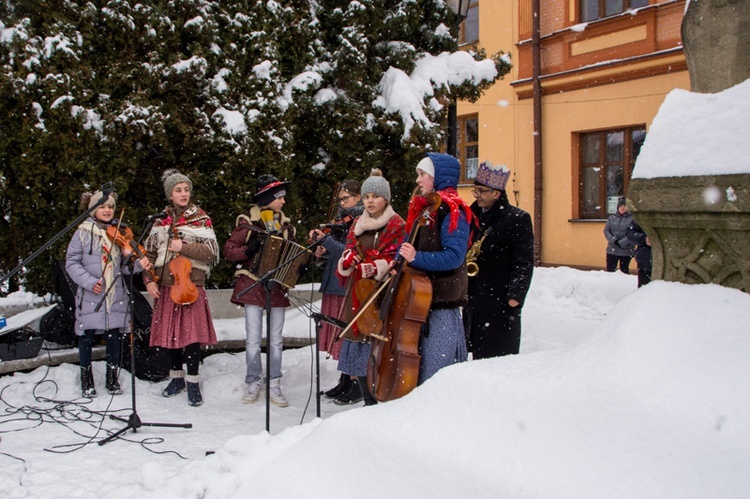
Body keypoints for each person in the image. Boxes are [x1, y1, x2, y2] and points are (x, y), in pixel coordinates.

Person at [144, 169, 219, 407]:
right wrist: (149, 279)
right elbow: (149, 254)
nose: (184, 194)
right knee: (172, 335)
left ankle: (193, 382)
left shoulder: (201, 218)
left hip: (190, 285)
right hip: (166, 285)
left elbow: (211, 252)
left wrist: (182, 246)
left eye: (186, 189)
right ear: (170, 195)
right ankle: (176, 378)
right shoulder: (159, 222)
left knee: (191, 336)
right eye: (178, 190)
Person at [223, 174, 300, 407]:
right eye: (279, 197)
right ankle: (253, 380)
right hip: (252, 283)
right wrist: (248, 250)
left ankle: (275, 381)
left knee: (276, 339)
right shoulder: (247, 223)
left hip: (276, 285)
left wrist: (298, 266)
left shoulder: (286, 226)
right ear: (267, 198)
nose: (283, 201)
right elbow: (228, 250)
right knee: (253, 338)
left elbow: (291, 255)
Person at [66, 190, 152, 397]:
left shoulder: (119, 232)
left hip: (116, 293)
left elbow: (124, 270)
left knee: (114, 335)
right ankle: (86, 378)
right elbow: (71, 262)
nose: (107, 210)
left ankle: (112, 377)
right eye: (102, 206)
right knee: (86, 336)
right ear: (92, 209)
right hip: (91, 294)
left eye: (110, 207)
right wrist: (89, 281)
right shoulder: (82, 233)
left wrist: (137, 264)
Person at [397, 153, 473, 384]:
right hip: (421, 303)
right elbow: (412, 245)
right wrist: (398, 263)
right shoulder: (426, 209)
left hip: (441, 305)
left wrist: (417, 257)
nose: (418, 180)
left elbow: (454, 257)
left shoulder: (453, 210)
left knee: (437, 374)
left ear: (437, 177)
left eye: (423, 175)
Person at [334, 169, 406, 405]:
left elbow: (395, 259)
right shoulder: (357, 223)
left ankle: (380, 399)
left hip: (381, 294)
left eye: (375, 196)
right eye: (366, 197)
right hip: (358, 293)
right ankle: (367, 400)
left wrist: (374, 266)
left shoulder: (396, 224)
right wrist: (347, 261)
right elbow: (349, 251)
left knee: (375, 345)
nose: (370, 201)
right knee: (358, 347)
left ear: (386, 198)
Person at [463, 161, 534, 359]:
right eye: (475, 190)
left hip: (501, 301)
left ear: (497, 193)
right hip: (475, 299)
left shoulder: (517, 219)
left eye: (482, 191)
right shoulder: (472, 216)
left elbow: (524, 262)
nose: (477, 195)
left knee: (499, 358)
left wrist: (515, 296)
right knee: (476, 355)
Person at [308, 179, 364, 399]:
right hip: (333, 283)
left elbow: (350, 253)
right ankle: (344, 379)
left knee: (346, 333)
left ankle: (355, 382)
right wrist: (323, 250)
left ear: (358, 197)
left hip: (346, 286)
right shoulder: (341, 221)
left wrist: (328, 242)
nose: (343, 203)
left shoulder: (360, 222)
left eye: (346, 198)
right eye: (341, 199)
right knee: (338, 335)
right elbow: (337, 254)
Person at [604, 197, 635, 273]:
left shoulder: (633, 219)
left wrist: (622, 242)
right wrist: (613, 240)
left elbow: (633, 233)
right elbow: (606, 230)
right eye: (621, 206)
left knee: (624, 271)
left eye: (624, 206)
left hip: (626, 250)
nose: (622, 208)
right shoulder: (612, 218)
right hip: (612, 249)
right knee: (610, 271)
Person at [627, 221, 652, 287]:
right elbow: (630, 233)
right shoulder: (642, 216)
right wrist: (643, 239)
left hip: (668, 263)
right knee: (644, 290)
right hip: (645, 261)